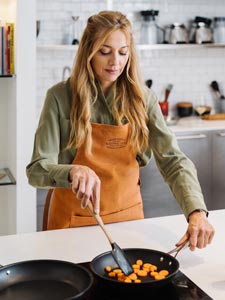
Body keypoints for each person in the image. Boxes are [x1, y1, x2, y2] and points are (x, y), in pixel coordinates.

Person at [26, 10, 214, 251]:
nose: (115, 61)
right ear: (89, 51)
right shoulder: (60, 97)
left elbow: (173, 160)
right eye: (105, 52)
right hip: (71, 223)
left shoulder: (143, 99)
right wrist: (72, 171)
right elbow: (36, 170)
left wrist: (197, 211)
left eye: (122, 52)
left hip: (129, 220)